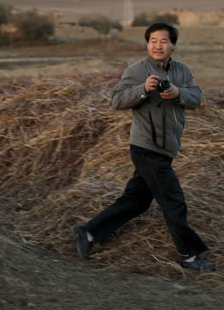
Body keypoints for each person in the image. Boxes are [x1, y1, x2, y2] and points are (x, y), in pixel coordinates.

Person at [72, 22, 216, 271]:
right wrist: (142, 89)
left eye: (163, 41)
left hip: (166, 147)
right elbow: (117, 100)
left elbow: (197, 98)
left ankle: (87, 233)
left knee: (136, 201)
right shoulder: (137, 70)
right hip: (146, 147)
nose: (157, 45)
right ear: (147, 44)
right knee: (174, 201)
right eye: (152, 41)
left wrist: (177, 92)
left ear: (173, 45)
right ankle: (190, 256)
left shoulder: (182, 72)